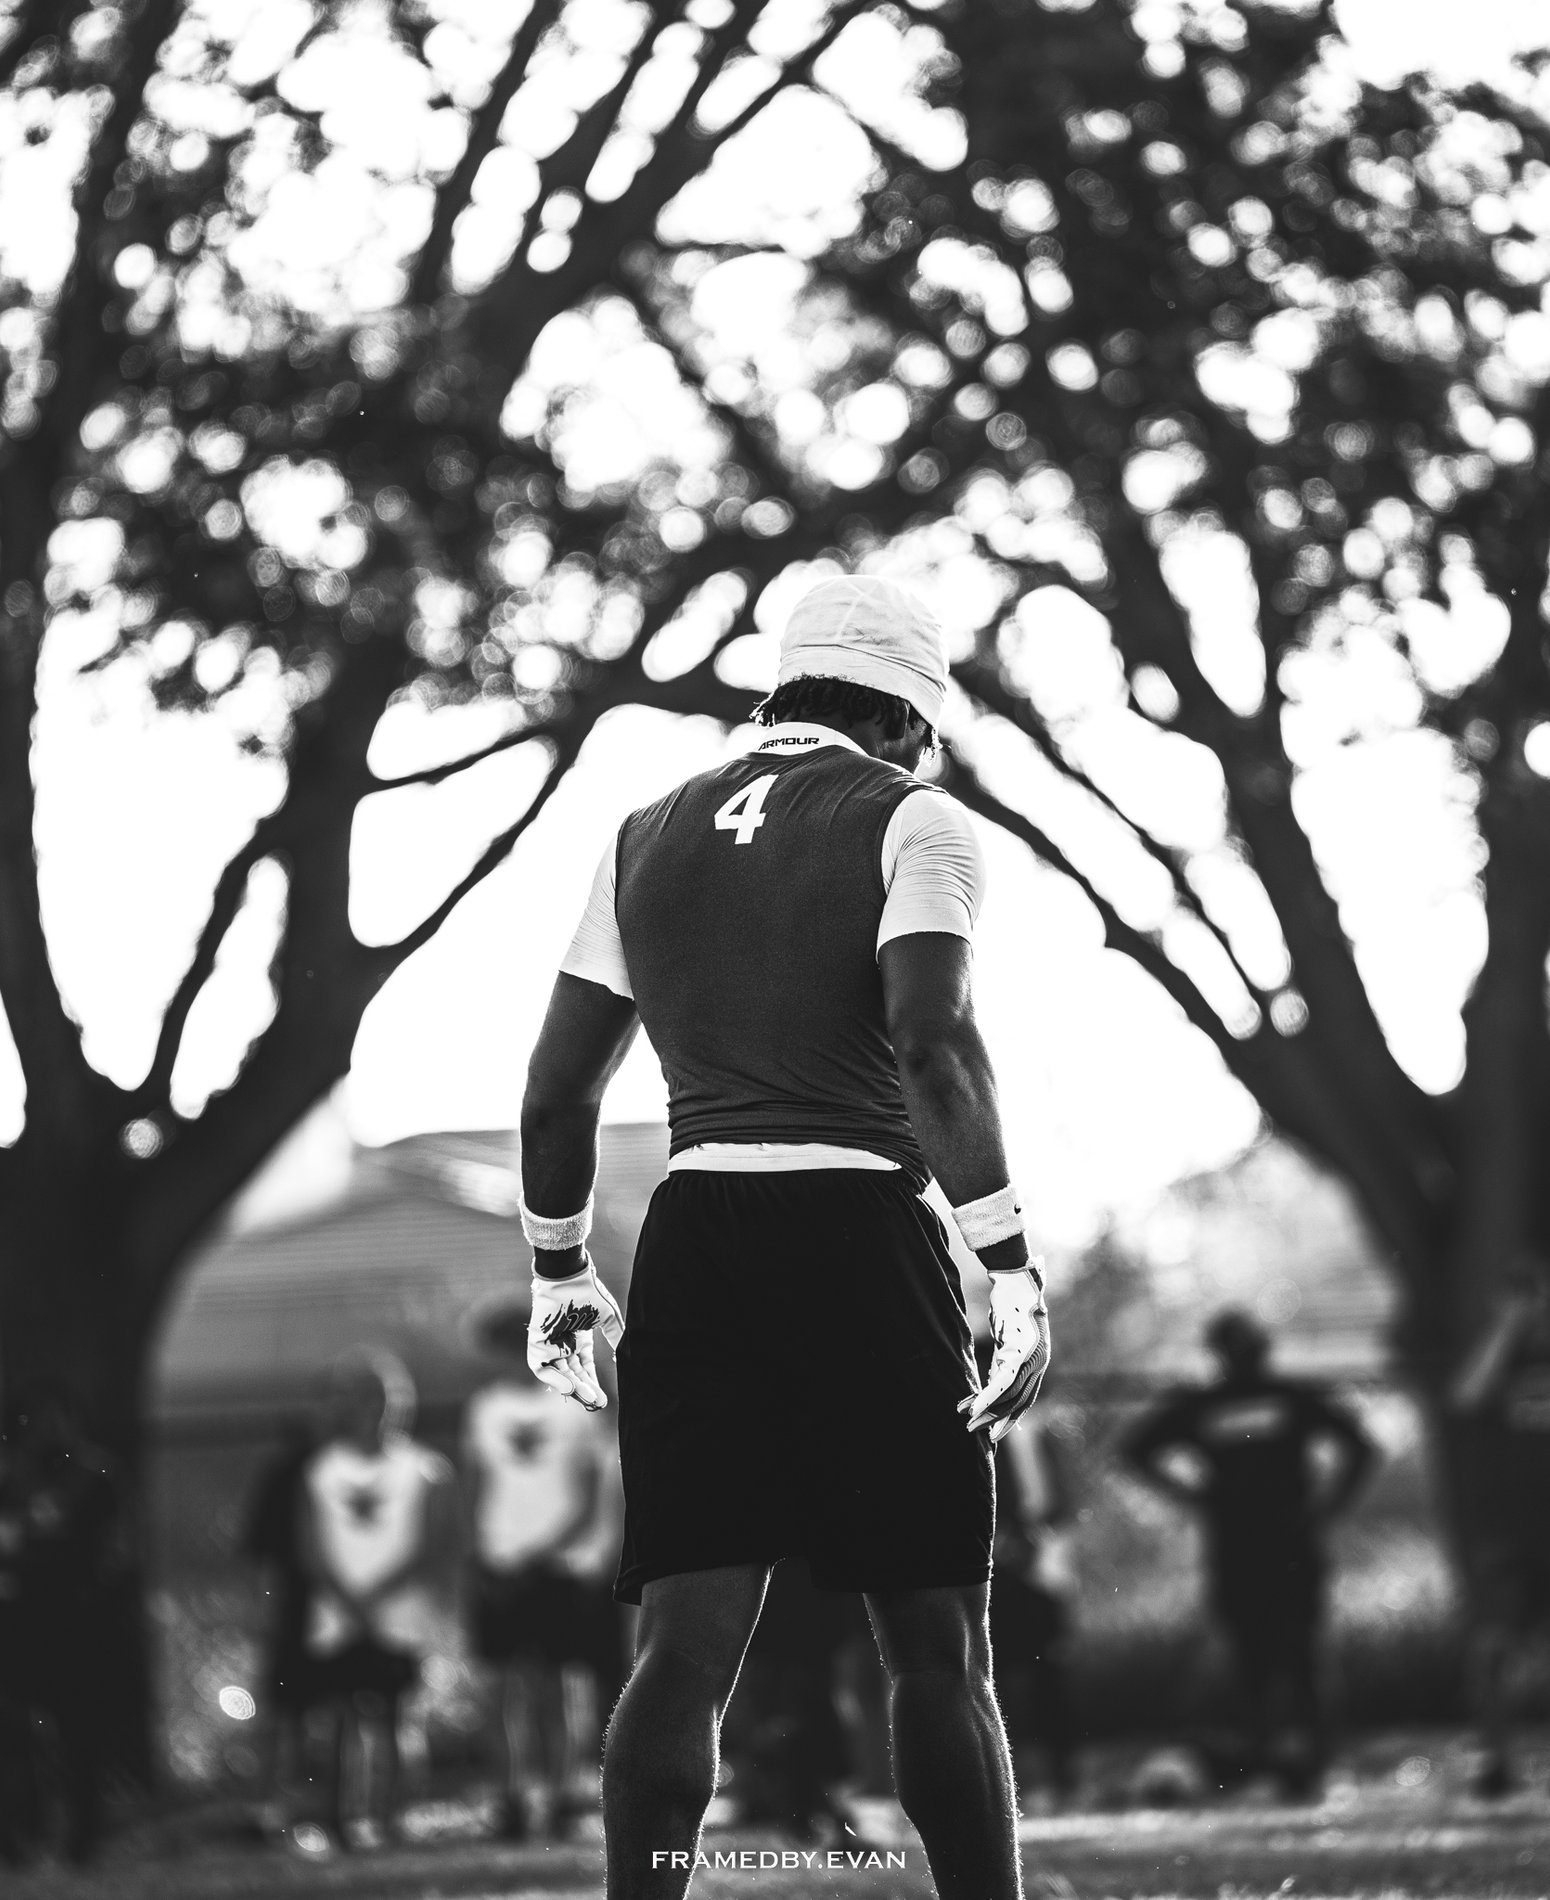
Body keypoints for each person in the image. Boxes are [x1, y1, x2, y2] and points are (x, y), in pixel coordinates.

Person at [518, 573, 1052, 1900]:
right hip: (858, 1225)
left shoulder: (642, 833)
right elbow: (929, 1043)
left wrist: (557, 1268)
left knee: (679, 1652)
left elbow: (557, 1092)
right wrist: (1004, 1261)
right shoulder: (911, 816)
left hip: (695, 1233)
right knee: (934, 1651)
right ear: (908, 716)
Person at [1121, 1308, 1375, 1798]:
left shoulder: (1244, 1401)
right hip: (1260, 1548)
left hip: (1272, 1547)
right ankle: (1282, 1766)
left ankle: (1307, 1767)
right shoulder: (1266, 1399)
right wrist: (1325, 1507)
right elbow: (1135, 1450)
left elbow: (1361, 1447)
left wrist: (1326, 1507)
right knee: (1271, 1660)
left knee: (1288, 1659)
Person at [462, 1303, 625, 1839]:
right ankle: (509, 1801)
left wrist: (542, 1555)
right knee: (502, 1690)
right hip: (500, 1568)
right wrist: (481, 1556)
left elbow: (588, 1498)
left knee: (559, 1688)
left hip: (558, 1570)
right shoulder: (484, 1409)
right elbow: (476, 1488)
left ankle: (561, 1798)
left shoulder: (575, 1403)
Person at [300, 1350, 452, 1847]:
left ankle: (391, 1820)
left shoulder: (424, 1469)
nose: (371, 1408)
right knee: (339, 1720)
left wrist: (373, 1598)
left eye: (380, 1397)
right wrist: (351, 1601)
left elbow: (429, 1546)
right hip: (338, 1619)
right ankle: (341, 1821)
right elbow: (310, 1550)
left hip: (398, 1619)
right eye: (360, 1397)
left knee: (395, 1719)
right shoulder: (321, 1471)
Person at [0, 1382, 124, 1863]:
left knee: (81, 1734)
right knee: (19, 1733)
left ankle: (82, 1838)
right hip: (23, 1621)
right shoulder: (16, 1475)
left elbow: (114, 1550)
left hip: (78, 1622)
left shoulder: (94, 1476)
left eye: (58, 1417)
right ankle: (23, 1835)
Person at [1448, 1255, 1550, 1797]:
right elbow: (1465, 1398)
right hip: (1509, 1533)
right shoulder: (1498, 1361)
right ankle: (1498, 1761)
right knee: (1492, 1645)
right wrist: (1508, 1328)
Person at [979, 1350, 1079, 1809]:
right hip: (996, 1568)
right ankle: (1007, 1782)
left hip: (1043, 1569)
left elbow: (1061, 1498)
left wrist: (1042, 1539)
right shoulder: (982, 1428)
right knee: (998, 1676)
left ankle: (1062, 1778)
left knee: (1049, 1672)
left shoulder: (1042, 1429)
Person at [239, 1415, 320, 1835]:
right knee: (285, 1708)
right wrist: (265, 1609)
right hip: (301, 1605)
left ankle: (288, 1801)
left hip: (319, 1606)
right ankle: (278, 1803)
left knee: (287, 1708)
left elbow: (261, 1559)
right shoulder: (288, 1476)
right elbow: (264, 1556)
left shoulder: (333, 1472)